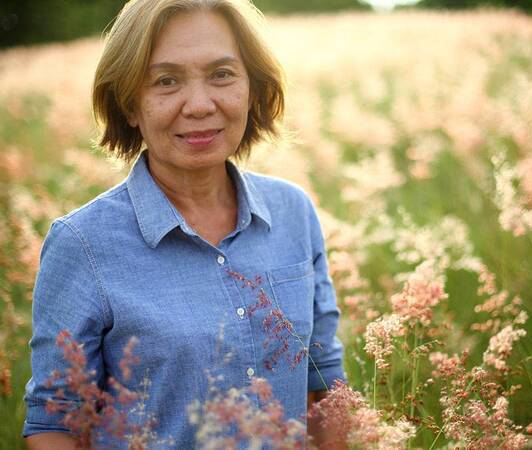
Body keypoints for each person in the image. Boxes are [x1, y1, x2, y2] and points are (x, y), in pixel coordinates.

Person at [22, 0, 345, 448]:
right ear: (130, 105)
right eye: (166, 81)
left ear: (252, 88)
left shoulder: (295, 211)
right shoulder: (82, 244)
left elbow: (324, 384)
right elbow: (55, 423)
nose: (199, 105)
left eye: (222, 74)